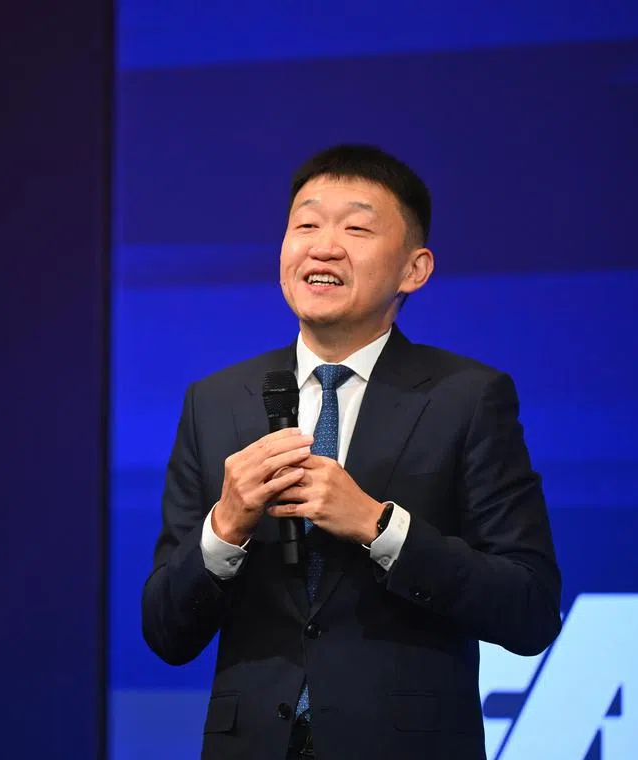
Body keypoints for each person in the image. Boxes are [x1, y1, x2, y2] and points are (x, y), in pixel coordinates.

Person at [140, 144, 563, 760]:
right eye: (305, 224)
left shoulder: (467, 399)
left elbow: (529, 610)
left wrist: (379, 525)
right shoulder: (215, 402)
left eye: (357, 228)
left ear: (414, 270)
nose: (323, 245)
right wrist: (225, 528)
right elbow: (165, 632)